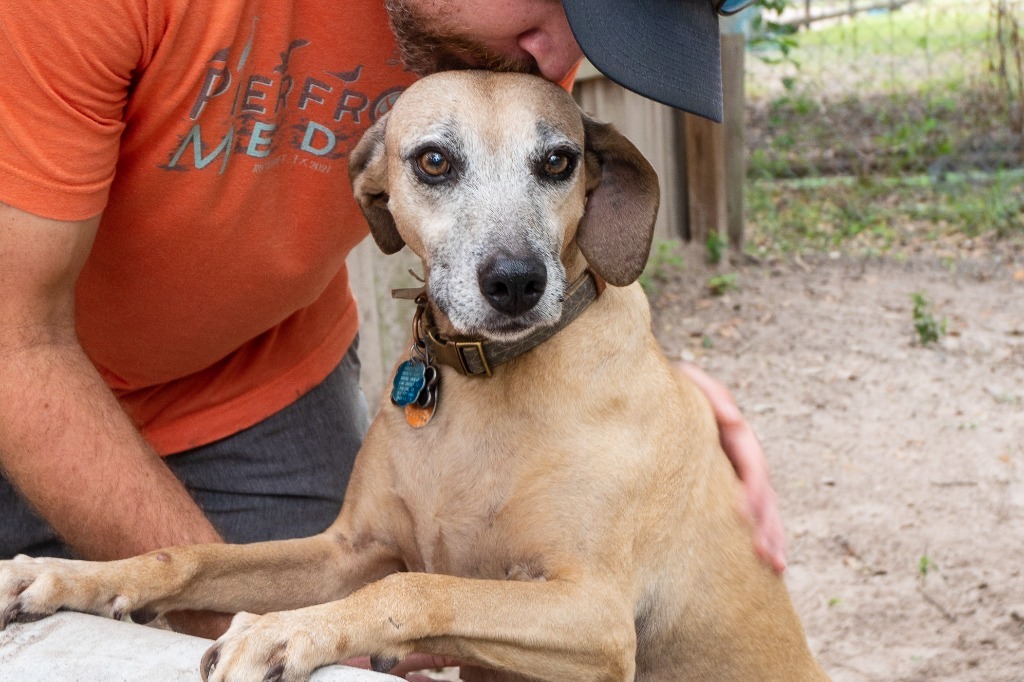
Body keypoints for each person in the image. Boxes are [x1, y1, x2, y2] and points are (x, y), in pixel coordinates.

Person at [0, 0, 784, 643]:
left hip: (262, 379)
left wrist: (651, 409)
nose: (561, 59)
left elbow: (552, 235)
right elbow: (15, 342)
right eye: (572, 4)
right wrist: (254, 629)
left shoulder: (520, 44)